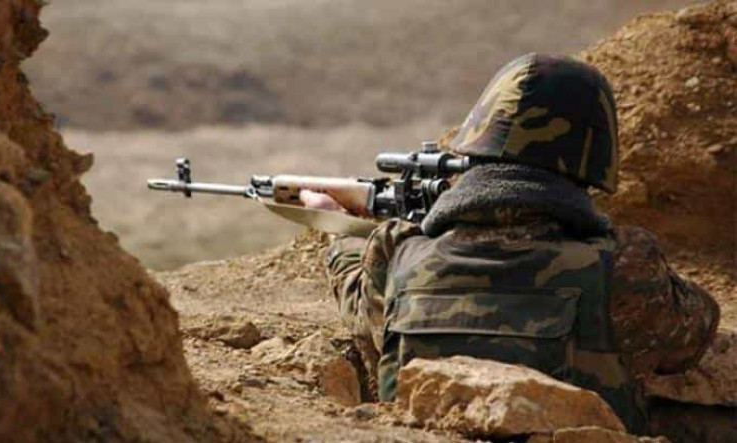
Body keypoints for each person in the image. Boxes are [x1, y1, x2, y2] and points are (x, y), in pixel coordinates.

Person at [301, 53, 720, 433]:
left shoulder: (396, 253)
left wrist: (336, 225)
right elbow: (692, 334)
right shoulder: (621, 265)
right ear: (593, 158)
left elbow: (358, 301)